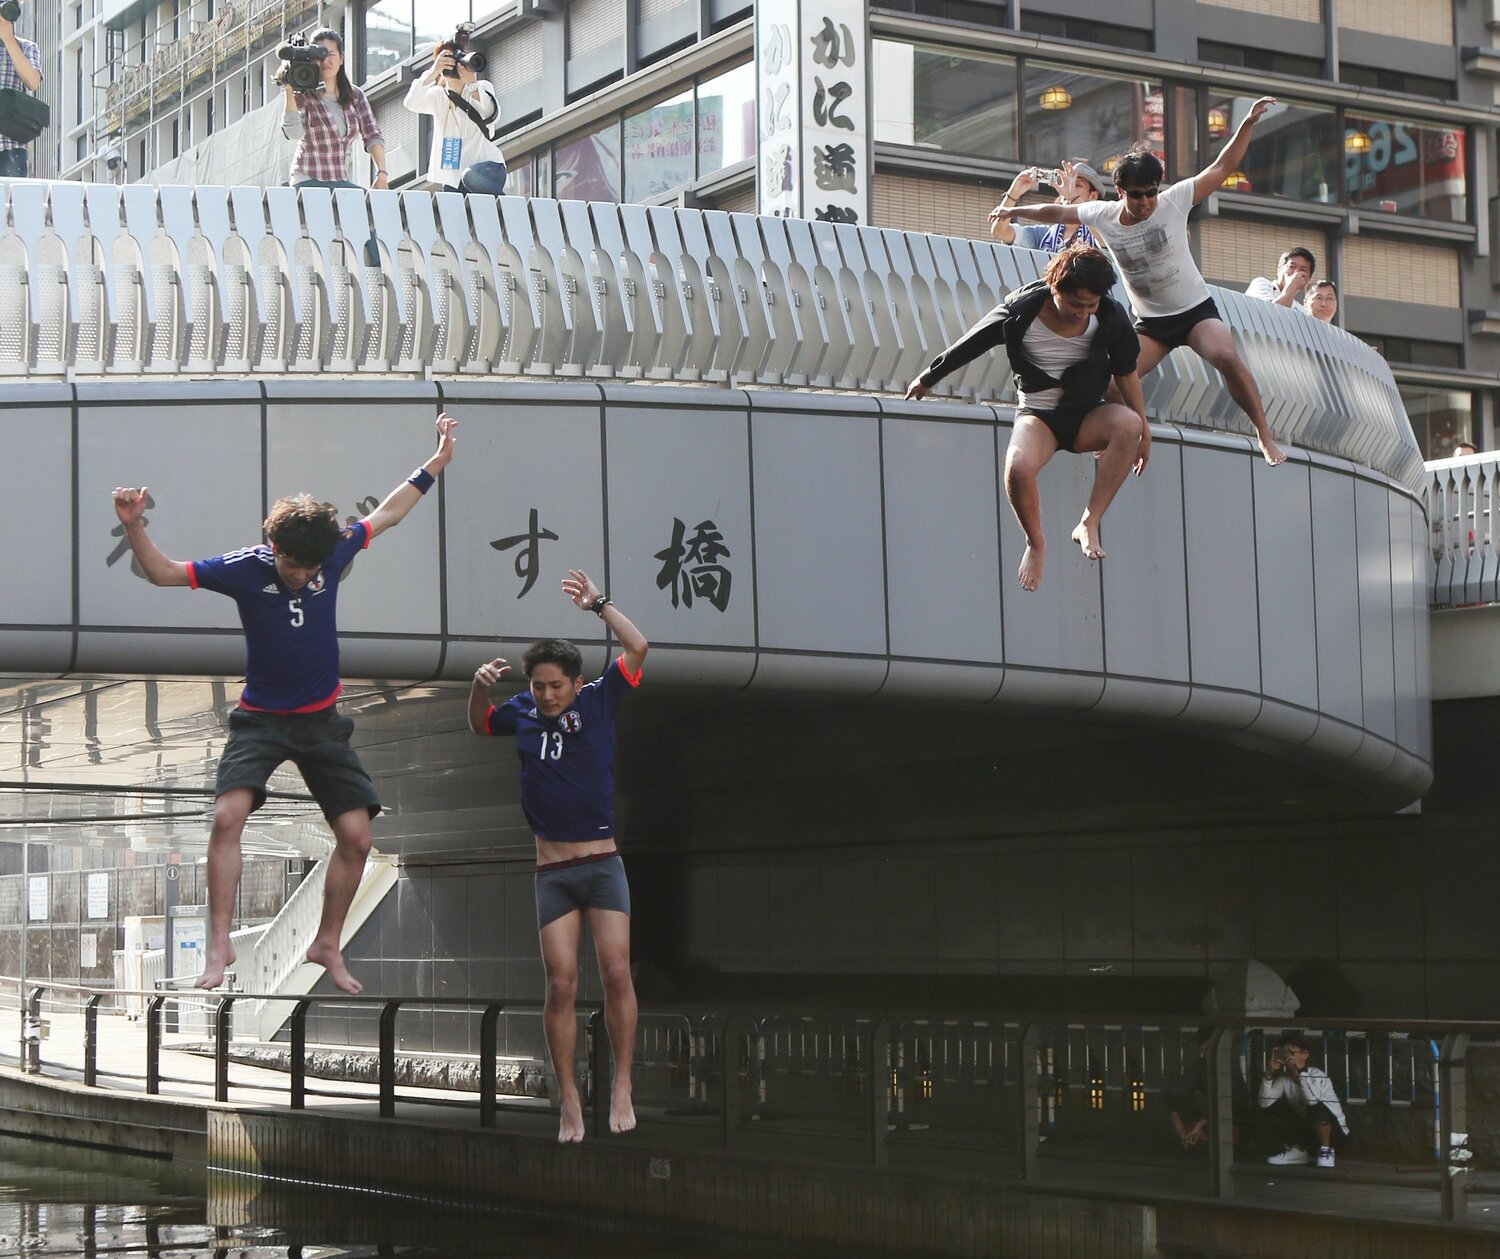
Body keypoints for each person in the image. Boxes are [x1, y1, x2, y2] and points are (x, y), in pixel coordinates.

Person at [111, 415, 458, 995]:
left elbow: (390, 511)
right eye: (295, 566)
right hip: (263, 721)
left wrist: (438, 461)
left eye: (312, 569)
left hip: (322, 721)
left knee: (358, 838)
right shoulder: (243, 570)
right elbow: (164, 573)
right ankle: (219, 946)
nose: (303, 577)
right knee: (227, 818)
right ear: (275, 548)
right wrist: (134, 528)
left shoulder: (330, 555)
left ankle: (326, 941)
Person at [992, 97, 1289, 467]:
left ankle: (1263, 433)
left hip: (1194, 311)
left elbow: (1222, 166)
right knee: (1112, 385)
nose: (1146, 202)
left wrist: (1246, 122)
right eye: (1136, 195)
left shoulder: (1175, 200)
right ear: (1121, 193)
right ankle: (1115, 435)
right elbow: (1056, 210)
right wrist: (1014, 209)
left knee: (1225, 355)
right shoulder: (1103, 215)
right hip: (1152, 323)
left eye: (1150, 193)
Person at [468, 572, 648, 1143]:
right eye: (539, 686)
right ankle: (569, 1096)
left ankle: (621, 1082)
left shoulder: (600, 700)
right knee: (562, 983)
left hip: (601, 866)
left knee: (616, 970)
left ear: (575, 682)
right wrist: (478, 688)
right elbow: (479, 723)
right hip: (552, 872)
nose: (546, 695)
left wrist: (598, 605)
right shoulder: (520, 711)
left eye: (555, 686)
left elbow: (638, 647)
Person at [904, 245, 1147, 592]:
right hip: (1039, 415)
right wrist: (927, 378)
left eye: (1090, 305)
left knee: (1130, 425)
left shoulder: (1109, 315)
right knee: (1018, 468)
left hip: (1087, 413)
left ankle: (1089, 521)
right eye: (1075, 304)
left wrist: (1145, 429)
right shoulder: (1021, 311)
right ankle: (1036, 543)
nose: (1082, 313)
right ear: (1055, 287)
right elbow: (973, 342)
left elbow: (1126, 373)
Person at [281, 28, 388, 195]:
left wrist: (382, 173)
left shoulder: (355, 95)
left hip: (339, 180)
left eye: (331, 54)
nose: (326, 61)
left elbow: (372, 134)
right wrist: (288, 90)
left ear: (341, 58)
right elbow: (293, 133)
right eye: (320, 56)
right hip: (307, 179)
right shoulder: (304, 94)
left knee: (371, 208)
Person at [402, 42, 508, 194]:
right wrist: (433, 71)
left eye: (457, 59)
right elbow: (411, 102)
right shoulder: (437, 96)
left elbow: (491, 115)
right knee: (454, 213)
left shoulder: (482, 87)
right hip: (453, 178)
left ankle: (508, 212)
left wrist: (472, 84)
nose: (452, 65)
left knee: (470, 175)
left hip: (487, 168)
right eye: (447, 59)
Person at [1260, 1032, 1349, 1167]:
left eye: (1291, 1052)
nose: (1288, 1056)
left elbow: (1312, 1101)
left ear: (1305, 1055)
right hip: (1309, 1133)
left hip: (1335, 1135)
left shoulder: (1318, 1075)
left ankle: (1326, 1152)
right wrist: (1268, 1074)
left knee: (1315, 1108)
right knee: (1273, 1107)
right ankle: (1298, 1151)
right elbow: (1265, 1103)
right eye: (1284, 1052)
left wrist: (1300, 1070)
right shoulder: (1284, 1078)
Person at [1163, 1027, 1255, 1150]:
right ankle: (1198, 1138)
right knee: (1178, 1094)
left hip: (1236, 1114)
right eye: (1204, 1049)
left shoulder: (1230, 1066)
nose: (1207, 1052)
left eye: (1209, 1048)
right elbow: (1176, 1091)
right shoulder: (1200, 1066)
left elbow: (1225, 1100)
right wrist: (1182, 1130)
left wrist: (1198, 1126)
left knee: (1235, 1107)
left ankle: (1232, 1145)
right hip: (1212, 1114)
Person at [989, 159, 1108, 253]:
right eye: (1065, 184)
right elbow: (1000, 232)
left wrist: (1073, 198)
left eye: (1077, 185)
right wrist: (1014, 193)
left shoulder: (1102, 230)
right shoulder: (1043, 235)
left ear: (1092, 196)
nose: (1068, 188)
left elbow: (1104, 243)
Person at [0, 9, 42, 179]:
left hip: (10, 146)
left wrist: (8, 39)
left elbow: (32, 82)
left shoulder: (26, 47)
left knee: (13, 203)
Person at [1245, 247, 1316, 309]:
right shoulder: (1261, 285)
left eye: (1303, 270)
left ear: (1308, 279)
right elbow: (1270, 316)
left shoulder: (1301, 311)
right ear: (1279, 269)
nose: (1296, 273)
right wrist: (1292, 286)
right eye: (1292, 267)